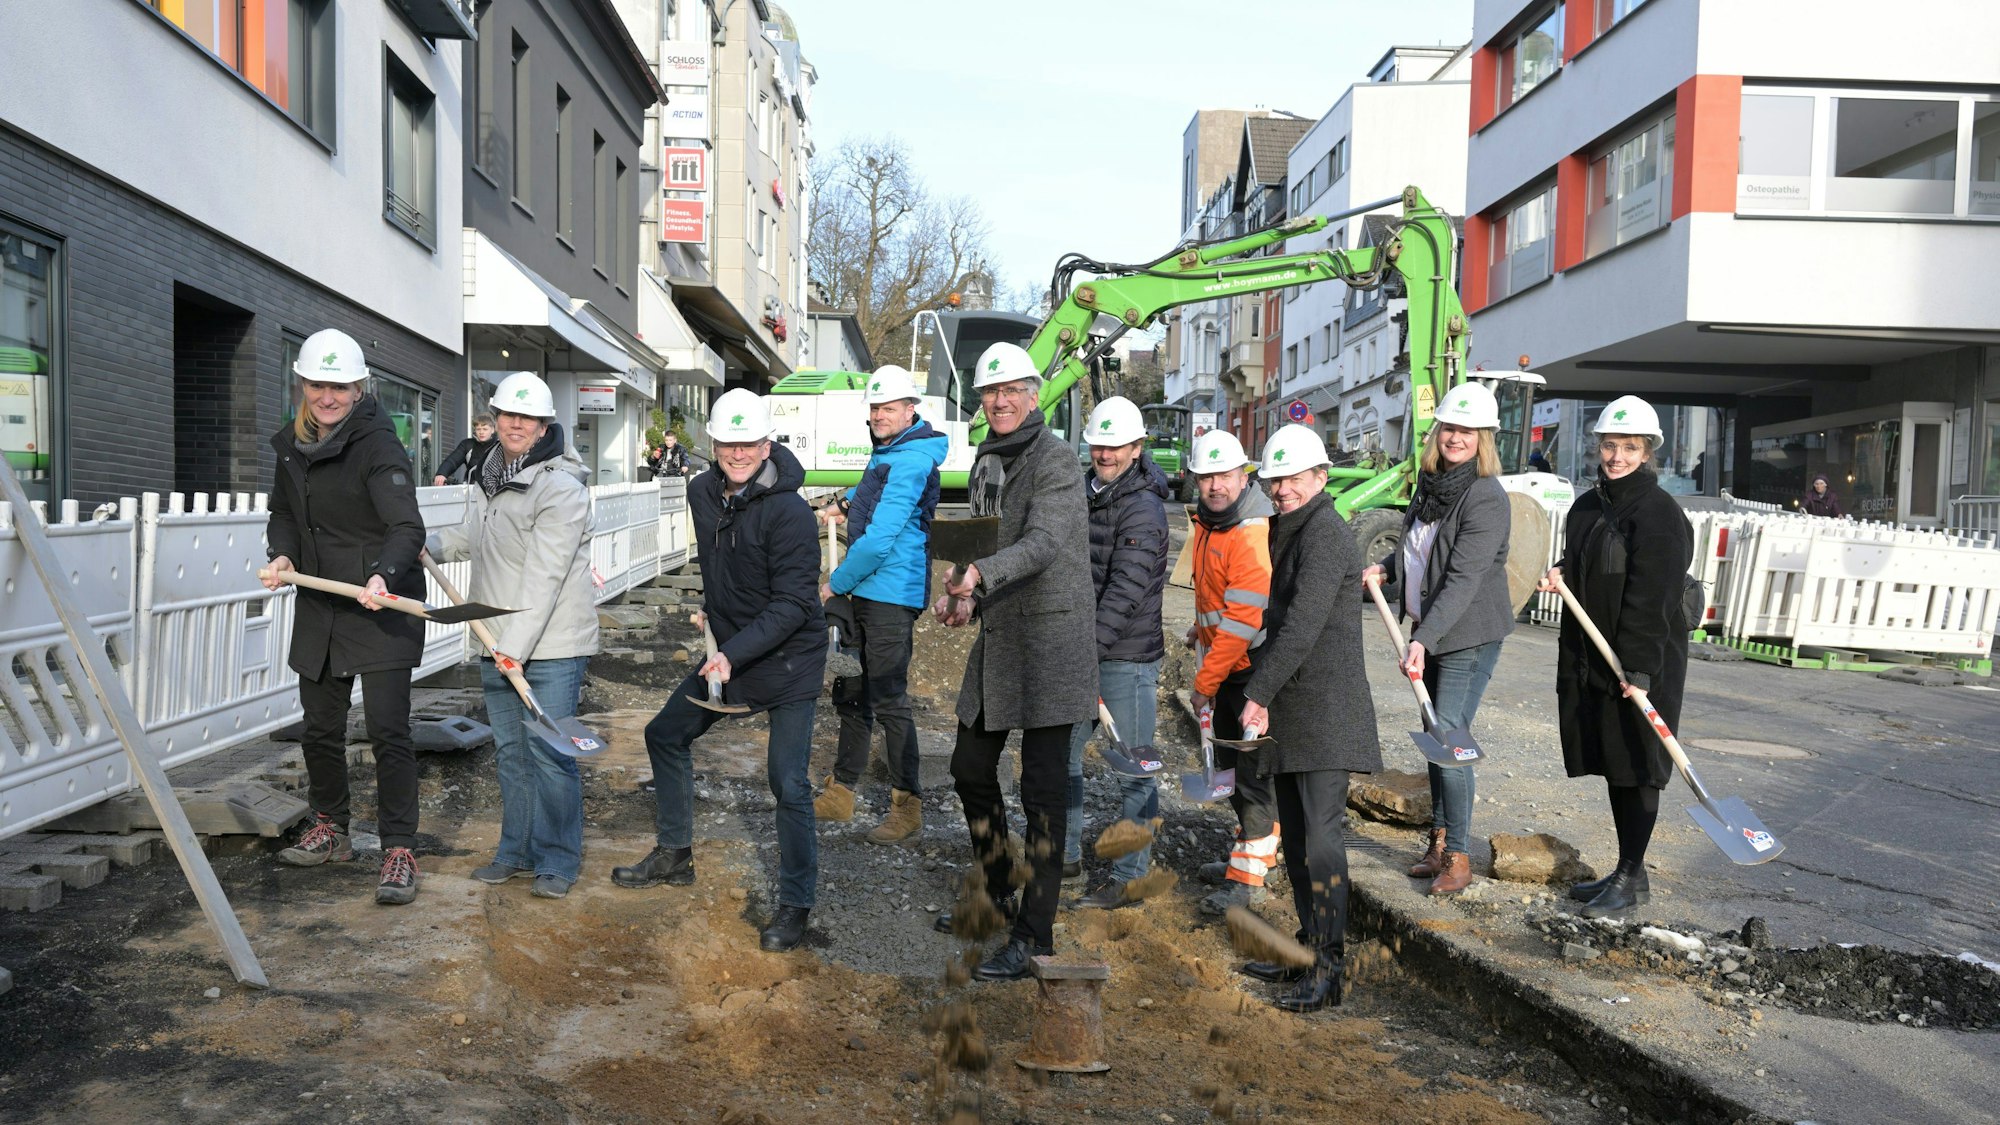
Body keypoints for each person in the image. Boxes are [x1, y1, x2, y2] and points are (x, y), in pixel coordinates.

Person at [612, 388, 827, 953]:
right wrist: (717, 606)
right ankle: (675, 854)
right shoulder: (701, 491)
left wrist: (733, 653)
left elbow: (794, 604)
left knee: (788, 780)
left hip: (787, 658)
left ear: (767, 443)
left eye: (749, 443)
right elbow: (720, 559)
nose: (738, 452)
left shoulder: (791, 513)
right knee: (664, 733)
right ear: (712, 443)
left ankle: (795, 904)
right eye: (728, 443)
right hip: (729, 647)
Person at [931, 341, 1096, 982]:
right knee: (969, 765)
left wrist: (977, 574)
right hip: (1002, 638)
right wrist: (964, 598)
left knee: (1044, 794)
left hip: (1052, 646)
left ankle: (1036, 933)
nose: (998, 403)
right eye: (989, 394)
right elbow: (982, 538)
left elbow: (1046, 543)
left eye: (1010, 392)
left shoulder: (1055, 459)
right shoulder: (986, 461)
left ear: (1032, 396)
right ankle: (1000, 884)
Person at [261, 328, 427, 905]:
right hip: (321, 603)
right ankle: (330, 826)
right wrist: (280, 554)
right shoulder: (291, 446)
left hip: (380, 604)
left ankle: (398, 848)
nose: (327, 396)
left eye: (339, 386)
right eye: (317, 384)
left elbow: (407, 526)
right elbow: (283, 512)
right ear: (302, 384)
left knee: (387, 730)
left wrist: (383, 574)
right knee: (320, 728)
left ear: (359, 388)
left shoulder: (379, 445)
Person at [429, 372, 599, 899]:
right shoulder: (488, 475)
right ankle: (517, 850)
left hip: (547, 646)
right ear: (495, 419)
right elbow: (472, 538)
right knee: (511, 753)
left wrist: (514, 649)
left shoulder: (561, 489)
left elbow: (545, 577)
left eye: (527, 417)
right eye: (508, 415)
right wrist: (424, 543)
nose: (516, 424)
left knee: (550, 752)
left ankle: (557, 858)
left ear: (545, 424)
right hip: (496, 638)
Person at [1237, 424, 1380, 1013]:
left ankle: (1330, 968)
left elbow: (1304, 625)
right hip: (1298, 703)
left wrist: (1258, 689)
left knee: (1319, 841)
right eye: (1274, 481)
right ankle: (1308, 950)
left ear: (1320, 477)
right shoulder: (1290, 527)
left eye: (1292, 478)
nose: (1281, 490)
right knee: (1295, 838)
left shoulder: (1324, 534)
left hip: (1325, 707)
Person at [1539, 394, 1694, 919]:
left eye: (1629, 447)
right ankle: (1632, 869)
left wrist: (1640, 669)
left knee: (1639, 765)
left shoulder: (1659, 515)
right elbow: (1590, 561)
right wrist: (1562, 571)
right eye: (1610, 445)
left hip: (1642, 661)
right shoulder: (1588, 505)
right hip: (1595, 657)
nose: (1617, 456)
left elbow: (1654, 597)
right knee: (1614, 763)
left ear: (1648, 452)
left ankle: (1629, 875)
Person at [1362, 384, 1514, 897]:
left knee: (1450, 740)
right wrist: (1385, 568)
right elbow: (1419, 553)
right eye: (1449, 428)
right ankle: (1439, 839)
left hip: (1466, 635)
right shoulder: (1432, 485)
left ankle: (1459, 856)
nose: (1455, 438)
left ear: (1483, 439)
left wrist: (1422, 639)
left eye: (1466, 431)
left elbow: (1463, 580)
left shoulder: (1486, 497)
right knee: (1435, 737)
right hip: (1432, 632)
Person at [812, 364, 948, 844]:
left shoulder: (911, 460)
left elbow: (881, 538)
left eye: (888, 408)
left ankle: (906, 807)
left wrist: (836, 582)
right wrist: (844, 504)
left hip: (890, 592)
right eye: (874, 408)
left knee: (889, 700)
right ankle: (842, 792)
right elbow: (873, 489)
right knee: (851, 690)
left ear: (910, 410)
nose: (878, 416)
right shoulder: (892, 451)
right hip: (868, 589)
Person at [1062, 396, 1169, 909]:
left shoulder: (1142, 507)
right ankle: (1062, 858)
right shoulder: (1089, 492)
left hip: (1124, 655)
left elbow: (1126, 588)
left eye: (1115, 445)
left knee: (1133, 768)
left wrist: (1092, 649)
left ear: (1136, 447)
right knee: (1060, 757)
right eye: (1098, 444)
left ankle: (1130, 876)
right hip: (1085, 647)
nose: (1104, 453)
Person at [1183, 430, 1279, 916]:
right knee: (1238, 771)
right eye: (1207, 477)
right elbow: (1216, 603)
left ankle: (1247, 879)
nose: (1216, 485)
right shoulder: (1210, 523)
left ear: (1244, 475)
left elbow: (1243, 617)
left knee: (1250, 775)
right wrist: (1198, 634)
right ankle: (1255, 855)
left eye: (1224, 475)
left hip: (1248, 669)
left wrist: (1205, 683)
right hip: (1226, 660)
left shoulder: (1248, 530)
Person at [434, 414, 496, 486]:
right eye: (478, 429)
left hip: (497, 489)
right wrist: (442, 473)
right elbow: (453, 460)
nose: (481, 432)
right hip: (472, 489)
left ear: (492, 430)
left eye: (485, 429)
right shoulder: (467, 445)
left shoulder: (500, 445)